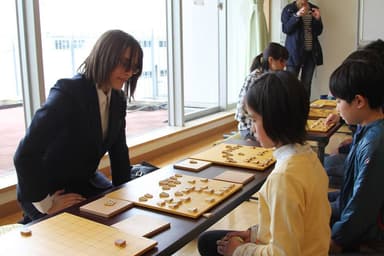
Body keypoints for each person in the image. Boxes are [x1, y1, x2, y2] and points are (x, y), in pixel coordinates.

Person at [14, 30, 143, 223]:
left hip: (83, 181)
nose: (129, 72)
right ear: (105, 56)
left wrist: (124, 195)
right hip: (48, 190)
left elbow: (119, 152)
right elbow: (25, 154)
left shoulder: (117, 98)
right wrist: (47, 204)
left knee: (122, 220)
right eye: (125, 63)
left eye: (134, 67)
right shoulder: (68, 92)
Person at [198, 71, 331, 255]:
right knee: (209, 240)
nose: (252, 127)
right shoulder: (309, 158)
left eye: (254, 120)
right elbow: (294, 223)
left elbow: (283, 253)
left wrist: (240, 251)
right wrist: (253, 234)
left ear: (274, 120)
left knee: (209, 244)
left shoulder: (284, 178)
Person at [327, 49, 384, 253]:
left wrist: (337, 240)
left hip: (369, 239)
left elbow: (361, 208)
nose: (337, 107)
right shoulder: (367, 127)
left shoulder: (374, 144)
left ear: (359, 102)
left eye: (339, 101)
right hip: (351, 214)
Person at [324, 39, 384, 188]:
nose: (337, 106)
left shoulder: (374, 140)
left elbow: (358, 207)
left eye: (339, 101)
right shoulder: (373, 115)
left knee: (325, 167)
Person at [235, 42, 288, 141]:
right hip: (250, 127)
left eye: (285, 62)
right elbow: (242, 110)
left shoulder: (272, 77)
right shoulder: (255, 77)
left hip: (264, 124)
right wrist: (255, 124)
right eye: (281, 61)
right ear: (271, 60)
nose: (284, 65)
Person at [281, 0, 323, 100]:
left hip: (311, 53)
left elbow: (318, 31)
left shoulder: (313, 8)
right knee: (291, 85)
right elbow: (286, 29)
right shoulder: (289, 9)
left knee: (306, 84)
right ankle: (291, 110)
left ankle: (304, 109)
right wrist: (297, 15)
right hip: (294, 53)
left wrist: (318, 19)